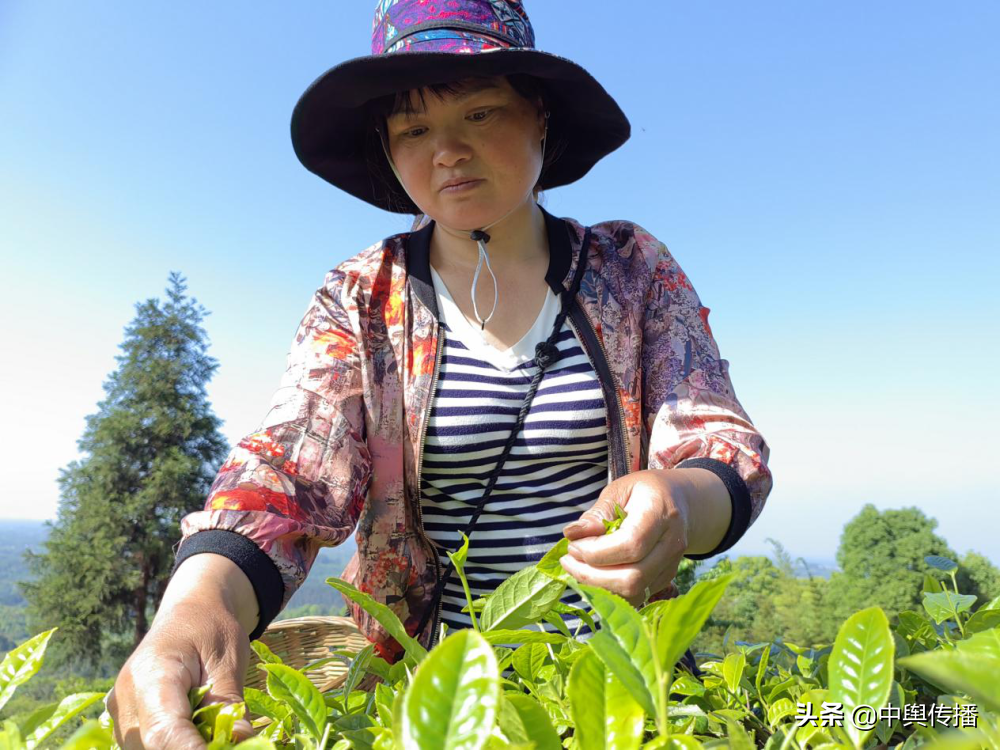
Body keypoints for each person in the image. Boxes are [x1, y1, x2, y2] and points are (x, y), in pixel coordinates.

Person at [108, 1, 772, 746]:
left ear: (541, 117)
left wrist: (679, 499)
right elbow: (289, 467)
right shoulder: (363, 298)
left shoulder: (631, 271)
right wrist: (200, 606)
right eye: (414, 128)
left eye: (481, 113)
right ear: (388, 150)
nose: (448, 152)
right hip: (428, 707)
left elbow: (719, 442)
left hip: (616, 695)